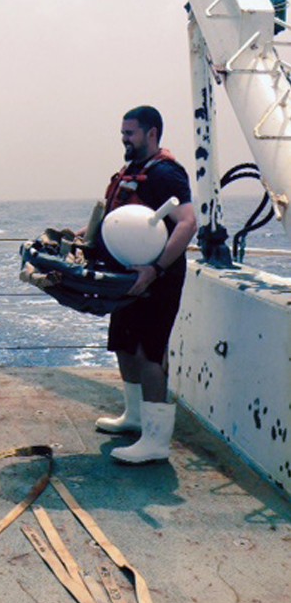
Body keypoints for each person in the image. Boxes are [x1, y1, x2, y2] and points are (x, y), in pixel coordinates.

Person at [93, 105, 197, 464]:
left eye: (130, 132)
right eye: (123, 132)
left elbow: (187, 223)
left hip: (157, 279)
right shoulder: (132, 171)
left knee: (149, 353)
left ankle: (155, 441)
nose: (124, 138)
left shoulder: (167, 173)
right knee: (124, 344)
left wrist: (155, 268)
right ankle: (134, 416)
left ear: (152, 133)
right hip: (126, 277)